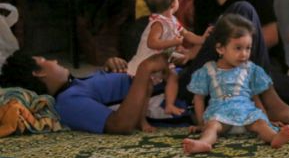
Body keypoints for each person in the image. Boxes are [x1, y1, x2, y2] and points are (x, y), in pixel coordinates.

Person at [184, 13, 289, 154]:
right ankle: (204, 143)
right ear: (220, 48)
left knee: (260, 124)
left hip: (247, 114)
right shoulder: (208, 70)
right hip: (220, 115)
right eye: (238, 48)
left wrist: (266, 119)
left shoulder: (250, 69)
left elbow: (255, 97)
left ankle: (274, 138)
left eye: (247, 48)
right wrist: (201, 124)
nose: (244, 54)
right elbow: (198, 98)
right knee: (211, 127)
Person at [0, 50, 168, 134]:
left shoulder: (75, 85)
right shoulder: (68, 102)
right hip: (174, 94)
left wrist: (112, 67)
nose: (55, 61)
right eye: (46, 60)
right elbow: (120, 124)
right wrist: (144, 70)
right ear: (39, 73)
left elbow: (110, 91)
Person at [127, 0, 207, 116]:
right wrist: (174, 43)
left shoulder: (173, 20)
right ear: (172, 3)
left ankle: (169, 105)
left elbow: (187, 34)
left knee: (173, 76)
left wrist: (203, 39)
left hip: (163, 59)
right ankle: (141, 117)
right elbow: (152, 43)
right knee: (147, 89)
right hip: (147, 62)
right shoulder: (158, 23)